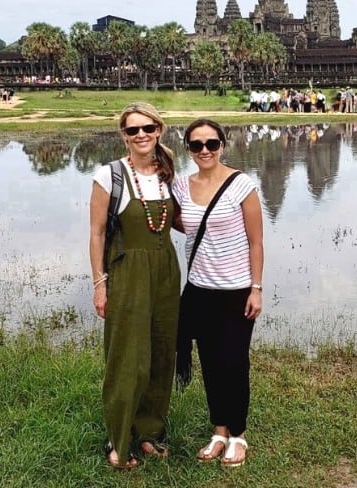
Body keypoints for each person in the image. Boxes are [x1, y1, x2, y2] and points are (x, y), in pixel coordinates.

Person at [88, 102, 181, 469]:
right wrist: (100, 283)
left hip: (166, 271)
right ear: (123, 136)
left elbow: (178, 222)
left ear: (159, 129)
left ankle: (150, 433)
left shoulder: (168, 173)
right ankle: (119, 440)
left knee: (161, 354)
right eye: (132, 130)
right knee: (129, 358)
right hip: (128, 272)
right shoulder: (109, 176)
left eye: (147, 128)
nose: (140, 135)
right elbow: (96, 234)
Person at [173, 118, 264, 468]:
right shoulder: (181, 186)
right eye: (197, 145)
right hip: (199, 289)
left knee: (234, 362)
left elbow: (256, 241)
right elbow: (175, 220)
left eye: (211, 143)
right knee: (210, 362)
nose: (205, 151)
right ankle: (219, 431)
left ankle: (238, 435)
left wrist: (256, 288)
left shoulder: (242, 185)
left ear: (223, 145)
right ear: (189, 150)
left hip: (236, 289)